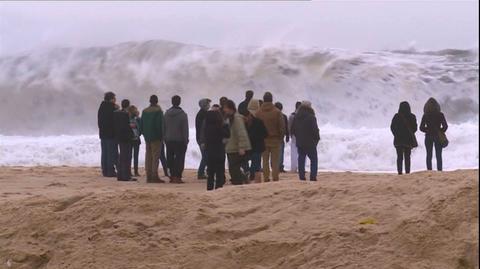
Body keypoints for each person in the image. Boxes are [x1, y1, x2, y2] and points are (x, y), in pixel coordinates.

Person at [255, 92, 285, 182]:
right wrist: (281, 137)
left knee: (265, 160)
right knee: (275, 161)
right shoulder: (277, 112)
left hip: (263, 140)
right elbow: (281, 127)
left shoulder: (258, 112)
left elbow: (256, 127)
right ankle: (275, 178)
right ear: (272, 99)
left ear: (263, 99)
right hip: (275, 139)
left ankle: (266, 178)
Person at [223, 100, 252, 185]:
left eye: (225, 108)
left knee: (233, 167)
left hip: (236, 148)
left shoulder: (236, 118)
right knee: (233, 167)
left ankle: (239, 182)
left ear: (230, 108)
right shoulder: (228, 118)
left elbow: (241, 132)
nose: (224, 109)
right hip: (231, 147)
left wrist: (242, 147)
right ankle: (241, 180)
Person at [201, 109, 230, 190]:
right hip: (219, 151)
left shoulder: (207, 127)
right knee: (219, 173)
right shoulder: (219, 126)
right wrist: (226, 124)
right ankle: (218, 189)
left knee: (210, 173)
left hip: (209, 152)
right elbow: (227, 134)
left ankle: (209, 189)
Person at [291, 101, 320, 181]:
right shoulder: (311, 117)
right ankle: (313, 176)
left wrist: (298, 137)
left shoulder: (296, 116)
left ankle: (301, 176)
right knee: (314, 159)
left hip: (300, 141)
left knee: (301, 158)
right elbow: (315, 130)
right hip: (310, 142)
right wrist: (317, 139)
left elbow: (293, 129)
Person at [164, 95, 189, 184]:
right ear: (179, 102)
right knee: (179, 159)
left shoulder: (166, 114)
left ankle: (171, 176)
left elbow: (164, 127)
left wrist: (164, 137)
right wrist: (186, 140)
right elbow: (185, 129)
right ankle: (177, 177)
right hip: (180, 140)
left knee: (170, 158)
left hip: (168, 139)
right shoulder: (182, 115)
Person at [141, 95, 165, 183]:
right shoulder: (158, 111)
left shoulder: (144, 111)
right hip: (156, 137)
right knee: (155, 157)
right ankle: (154, 176)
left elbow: (141, 124)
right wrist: (162, 136)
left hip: (147, 137)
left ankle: (148, 176)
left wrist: (143, 133)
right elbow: (160, 125)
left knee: (148, 156)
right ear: (157, 101)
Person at [420, 97, 448, 171]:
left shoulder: (425, 115)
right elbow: (445, 126)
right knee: (439, 155)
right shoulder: (440, 115)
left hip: (428, 136)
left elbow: (421, 128)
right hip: (438, 136)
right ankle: (439, 170)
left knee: (429, 155)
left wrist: (427, 130)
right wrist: (440, 131)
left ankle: (429, 170)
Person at [390, 102, 418, 175]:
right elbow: (415, 128)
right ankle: (407, 172)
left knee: (399, 157)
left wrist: (396, 134)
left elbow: (392, 127)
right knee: (407, 157)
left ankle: (399, 172)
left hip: (398, 140)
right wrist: (409, 133)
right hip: (408, 140)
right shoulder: (412, 116)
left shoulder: (396, 116)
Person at [245, 99, 268, 183]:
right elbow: (265, 134)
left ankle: (247, 175)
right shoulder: (259, 121)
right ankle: (255, 180)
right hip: (258, 146)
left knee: (247, 161)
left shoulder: (245, 119)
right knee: (257, 164)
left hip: (248, 145)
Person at [113, 99, 136, 181]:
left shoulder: (116, 114)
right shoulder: (125, 115)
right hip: (126, 138)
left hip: (119, 137)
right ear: (128, 106)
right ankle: (126, 176)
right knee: (126, 157)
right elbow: (126, 127)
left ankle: (120, 175)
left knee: (121, 157)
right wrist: (132, 134)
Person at [98, 92, 118, 177]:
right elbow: (114, 121)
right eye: (114, 98)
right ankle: (110, 171)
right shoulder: (112, 107)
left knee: (104, 153)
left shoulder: (101, 107)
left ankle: (105, 170)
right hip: (110, 134)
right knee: (111, 153)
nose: (115, 100)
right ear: (111, 99)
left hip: (102, 133)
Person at [195, 98, 211, 179]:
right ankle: (201, 173)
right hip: (202, 139)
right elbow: (203, 129)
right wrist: (202, 141)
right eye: (208, 103)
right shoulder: (203, 114)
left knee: (206, 156)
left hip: (200, 138)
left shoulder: (201, 114)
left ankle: (205, 172)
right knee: (205, 156)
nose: (209, 105)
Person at [274, 102, 290, 173]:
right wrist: (287, 136)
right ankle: (280, 167)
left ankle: (275, 166)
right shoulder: (284, 116)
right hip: (280, 137)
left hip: (273, 137)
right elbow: (286, 127)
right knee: (280, 152)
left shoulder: (273, 115)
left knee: (274, 152)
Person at [128, 105, 142, 177]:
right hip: (135, 139)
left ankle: (132, 171)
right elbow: (140, 128)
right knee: (134, 156)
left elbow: (141, 128)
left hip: (131, 139)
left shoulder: (128, 118)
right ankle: (134, 172)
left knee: (131, 156)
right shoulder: (136, 119)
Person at [288, 101, 302, 173]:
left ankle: (293, 168)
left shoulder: (292, 116)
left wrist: (290, 135)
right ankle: (301, 168)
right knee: (302, 152)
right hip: (302, 136)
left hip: (294, 136)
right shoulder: (304, 115)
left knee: (294, 153)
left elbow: (289, 127)